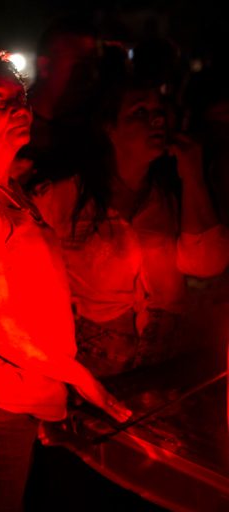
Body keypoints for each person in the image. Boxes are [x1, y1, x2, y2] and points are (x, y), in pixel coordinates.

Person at [0, 48, 131, 512]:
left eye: (20, 97)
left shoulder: (7, 190)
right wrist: (81, 378)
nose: (19, 108)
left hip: (29, 396)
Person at [32, 76, 229, 377]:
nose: (157, 119)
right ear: (108, 128)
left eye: (159, 110)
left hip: (162, 382)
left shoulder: (169, 198)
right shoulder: (60, 199)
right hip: (91, 383)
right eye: (140, 112)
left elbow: (207, 263)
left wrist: (193, 175)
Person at [18, 16, 101, 189]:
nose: (88, 72)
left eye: (92, 61)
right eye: (78, 61)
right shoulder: (11, 125)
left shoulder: (95, 127)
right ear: (44, 66)